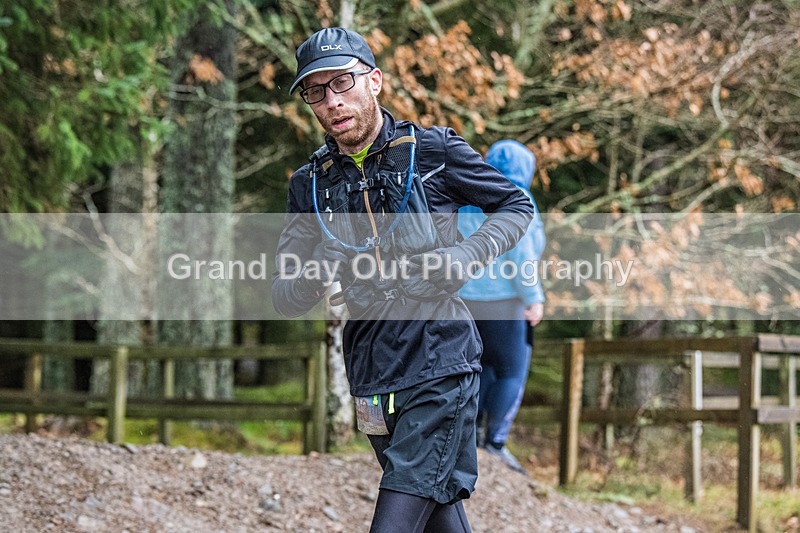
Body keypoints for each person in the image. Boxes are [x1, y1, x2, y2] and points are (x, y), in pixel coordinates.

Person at [271, 27, 533, 533]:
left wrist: (465, 255)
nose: (331, 101)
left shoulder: (433, 152)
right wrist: (316, 270)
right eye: (315, 91)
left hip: (439, 357)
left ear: (375, 81)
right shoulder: (310, 184)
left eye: (343, 82)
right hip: (371, 370)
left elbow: (514, 204)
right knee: (435, 513)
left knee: (395, 519)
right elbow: (284, 296)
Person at [458, 140, 546, 475]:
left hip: (467, 300)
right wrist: (533, 297)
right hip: (505, 300)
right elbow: (521, 254)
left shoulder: (471, 193)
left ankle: (474, 437)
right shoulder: (518, 199)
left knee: (481, 370)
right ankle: (495, 442)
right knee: (512, 371)